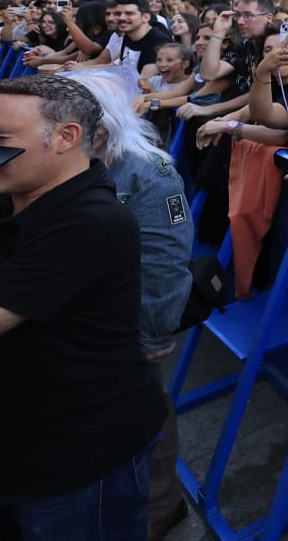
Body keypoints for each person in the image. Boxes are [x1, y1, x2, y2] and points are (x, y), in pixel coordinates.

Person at [0, 75, 166, 539]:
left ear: (66, 137)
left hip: (74, 461)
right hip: (3, 438)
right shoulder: (9, 196)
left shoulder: (91, 224)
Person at [74, 72, 195, 539]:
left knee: (144, 410)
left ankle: (161, 504)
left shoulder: (149, 172)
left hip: (124, 324)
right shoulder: (64, 163)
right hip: (80, 316)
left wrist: (151, 335)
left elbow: (165, 261)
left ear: (100, 128)